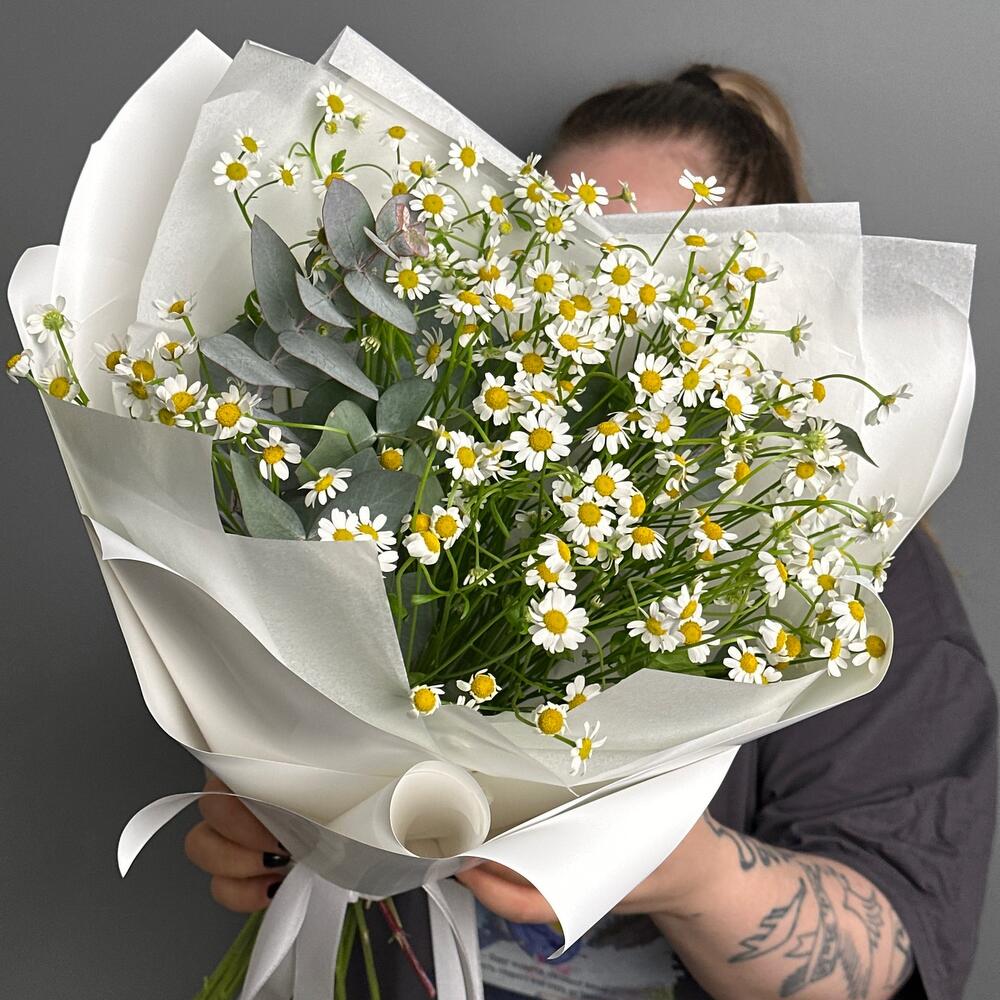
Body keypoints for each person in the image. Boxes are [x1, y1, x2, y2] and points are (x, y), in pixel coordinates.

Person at [184, 65, 998, 999]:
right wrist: (279, 815)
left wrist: (682, 869)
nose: (604, 293)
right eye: (562, 247)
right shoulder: (420, 488)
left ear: (769, 311)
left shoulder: (846, 581)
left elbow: (883, 955)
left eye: (652, 263)